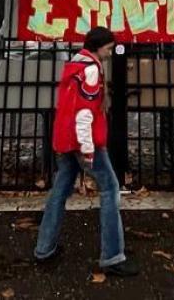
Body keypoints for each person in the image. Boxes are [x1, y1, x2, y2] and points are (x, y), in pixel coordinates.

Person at [34, 27, 139, 276]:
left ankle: (44, 247)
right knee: (111, 189)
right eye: (109, 48)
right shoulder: (91, 70)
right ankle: (113, 256)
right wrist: (88, 149)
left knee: (60, 190)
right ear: (98, 46)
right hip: (84, 142)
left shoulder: (74, 65)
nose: (111, 53)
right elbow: (84, 113)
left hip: (66, 139)